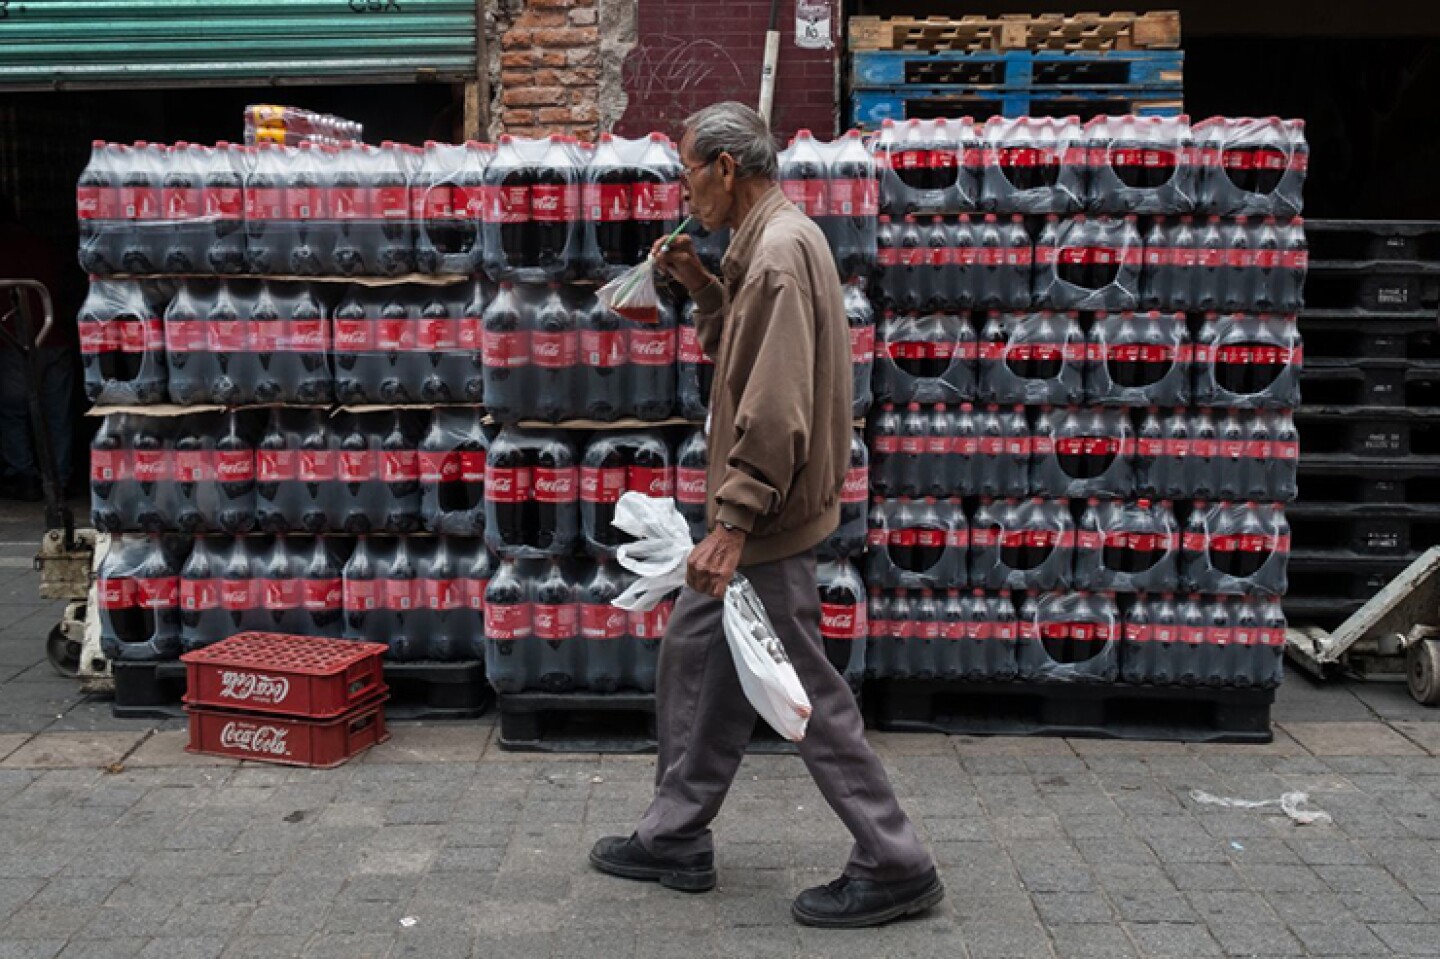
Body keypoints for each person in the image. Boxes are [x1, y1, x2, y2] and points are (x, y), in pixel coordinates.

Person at [588, 102, 942, 929]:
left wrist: (734, 521)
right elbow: (745, 350)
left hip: (768, 516)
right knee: (696, 655)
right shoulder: (772, 243)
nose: (683, 191)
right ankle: (674, 832)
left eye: (687, 174)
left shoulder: (779, 254)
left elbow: (776, 408)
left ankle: (895, 856)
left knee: (801, 684)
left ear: (722, 168)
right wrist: (701, 285)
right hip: (765, 509)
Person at [0, 191, 74, 502]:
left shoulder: (5, 248)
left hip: (13, 338)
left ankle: (25, 475)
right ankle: (60, 478)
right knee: (57, 413)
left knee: (13, 412)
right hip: (53, 335)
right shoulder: (41, 245)